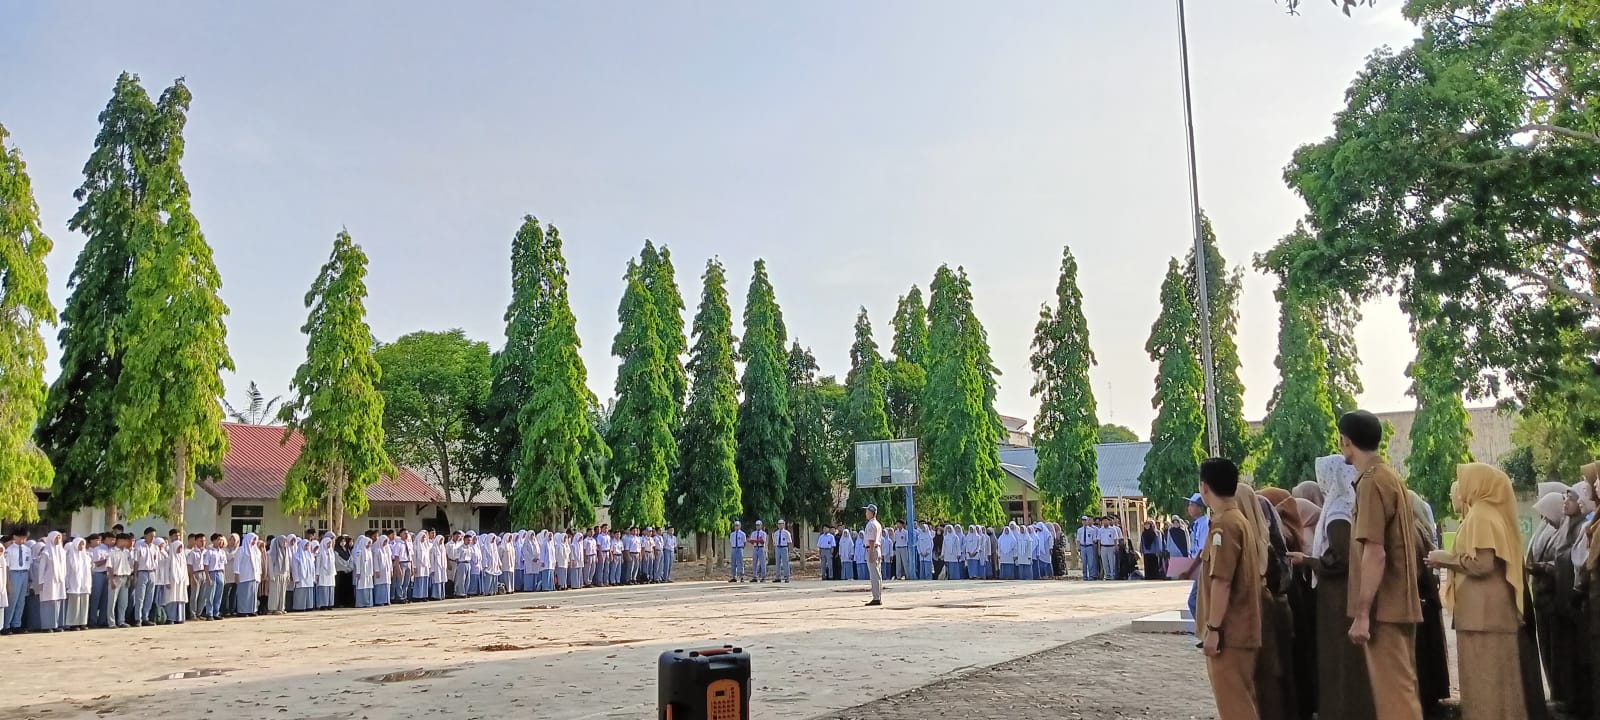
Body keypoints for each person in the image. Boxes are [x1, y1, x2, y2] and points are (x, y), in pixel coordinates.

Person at [1339, 410, 1423, 720]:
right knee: (1401, 689)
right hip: (1397, 601)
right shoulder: (1389, 476)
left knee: (1395, 698)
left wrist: (1362, 614)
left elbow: (1375, 552)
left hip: (1383, 606)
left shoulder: (1371, 483)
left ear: (1346, 441)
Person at [1427, 463, 1526, 720]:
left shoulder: (1482, 515)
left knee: (1486, 684)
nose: (1460, 489)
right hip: (1485, 614)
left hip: (1483, 615)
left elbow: (1483, 564)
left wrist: (1445, 559)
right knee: (1497, 684)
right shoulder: (1484, 513)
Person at [1196, 458, 1263, 720]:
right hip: (1239, 631)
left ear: (1204, 487)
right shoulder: (1238, 520)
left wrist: (1213, 629)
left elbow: (1222, 581)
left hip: (1229, 634)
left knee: (1235, 708)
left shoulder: (1225, 525)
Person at [3, 530, 30, 634]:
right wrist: (8, 583)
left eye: (25, 538)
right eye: (21, 537)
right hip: (13, 573)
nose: (23, 540)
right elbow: (7, 567)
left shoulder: (27, 549)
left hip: (24, 573)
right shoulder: (9, 550)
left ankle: (17, 624)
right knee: (12, 600)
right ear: (15, 537)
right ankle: (6, 625)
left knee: (21, 601)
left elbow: (28, 564)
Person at [863, 504, 884, 606]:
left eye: (867, 511)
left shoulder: (871, 524)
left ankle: (876, 597)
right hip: (877, 549)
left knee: (874, 575)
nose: (866, 513)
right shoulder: (877, 524)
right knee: (877, 574)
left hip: (872, 549)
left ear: (872, 513)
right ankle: (878, 595)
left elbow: (871, 540)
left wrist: (870, 553)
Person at [1098, 517, 1121, 581]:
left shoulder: (1113, 529)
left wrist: (1116, 547)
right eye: (1104, 521)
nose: (1105, 522)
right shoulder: (1100, 530)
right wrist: (1099, 549)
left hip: (1111, 547)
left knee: (1112, 562)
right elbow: (1099, 540)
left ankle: (1112, 575)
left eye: (1106, 520)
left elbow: (1115, 539)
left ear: (1109, 521)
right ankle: (1107, 575)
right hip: (1103, 547)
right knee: (1105, 562)